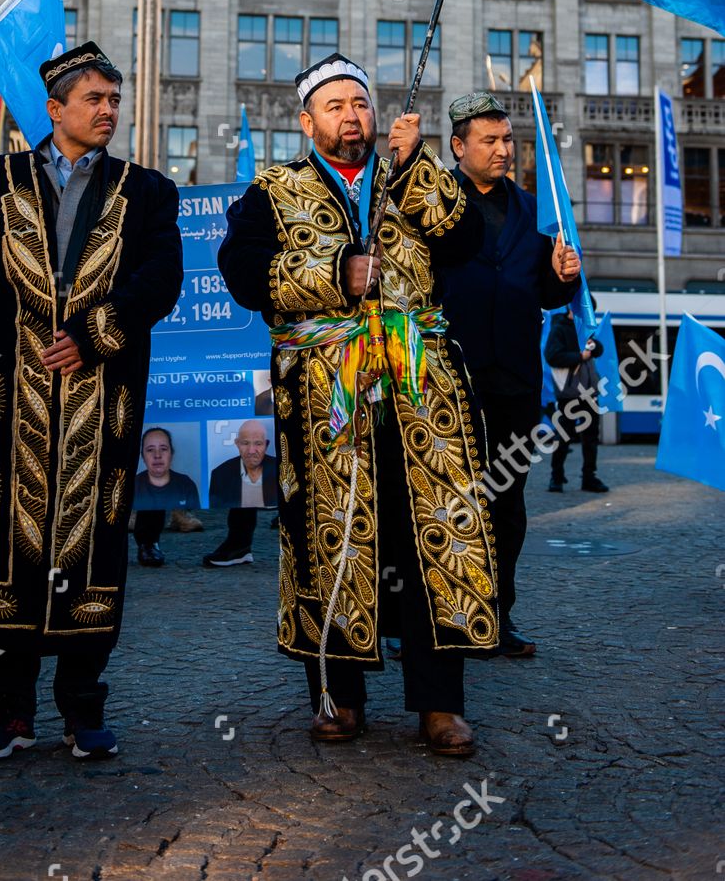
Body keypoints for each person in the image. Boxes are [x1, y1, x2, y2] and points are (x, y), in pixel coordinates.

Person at [0, 41, 183, 763]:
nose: (109, 110)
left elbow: (161, 278)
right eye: (95, 99)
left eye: (115, 99)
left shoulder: (148, 190)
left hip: (99, 400)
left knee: (92, 541)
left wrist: (94, 334)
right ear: (55, 109)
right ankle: (8, 707)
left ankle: (82, 706)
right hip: (1, 401)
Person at [218, 51, 497, 756]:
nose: (353, 116)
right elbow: (242, 273)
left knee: (431, 537)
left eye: (361, 104)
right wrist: (331, 274)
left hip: (418, 392)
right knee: (331, 539)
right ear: (307, 120)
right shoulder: (272, 190)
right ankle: (339, 695)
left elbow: (467, 240)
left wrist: (419, 167)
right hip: (325, 401)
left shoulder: (411, 174)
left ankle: (440, 704)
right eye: (337, 106)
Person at [436, 92, 582, 658]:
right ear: (459, 145)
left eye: (507, 140)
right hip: (448, 377)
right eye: (489, 141)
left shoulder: (533, 208)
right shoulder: (436, 202)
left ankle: (496, 616)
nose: (502, 150)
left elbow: (544, 292)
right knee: (446, 501)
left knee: (508, 504)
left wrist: (563, 277)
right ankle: (441, 618)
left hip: (516, 380)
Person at [544, 308, 609, 494]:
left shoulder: (585, 327)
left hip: (589, 392)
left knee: (591, 437)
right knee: (564, 436)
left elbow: (599, 349)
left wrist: (594, 346)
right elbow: (552, 356)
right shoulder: (559, 328)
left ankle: (589, 477)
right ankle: (556, 477)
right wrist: (579, 356)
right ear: (573, 309)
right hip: (569, 393)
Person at [203, 419, 278, 569]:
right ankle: (239, 546)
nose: (251, 451)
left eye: (258, 444)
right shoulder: (220, 473)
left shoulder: (280, 468)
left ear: (267, 444)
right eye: (245, 443)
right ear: (237, 444)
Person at [132, 427, 201, 566]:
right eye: (150, 450)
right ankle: (146, 540)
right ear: (142, 456)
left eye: (164, 449)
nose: (157, 455)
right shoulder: (136, 483)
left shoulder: (186, 484)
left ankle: (150, 540)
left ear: (172, 453)